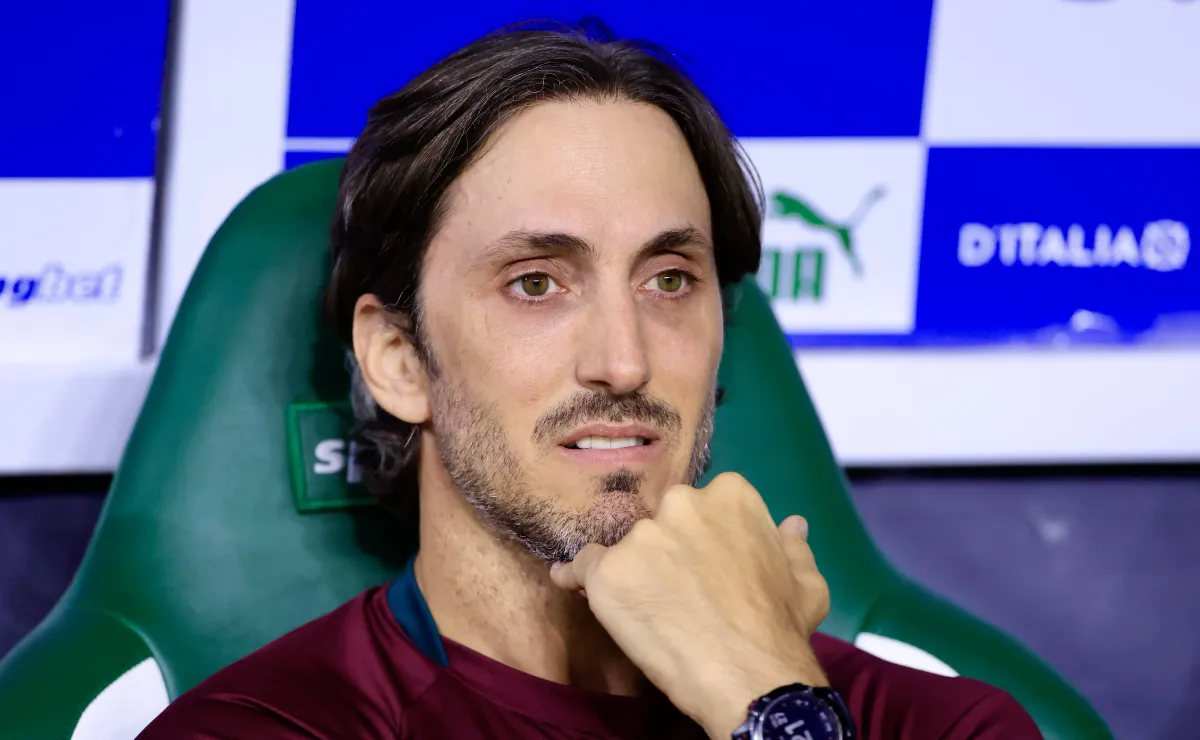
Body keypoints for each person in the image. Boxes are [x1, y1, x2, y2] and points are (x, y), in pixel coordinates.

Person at [139, 21, 1042, 740]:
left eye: (669, 281)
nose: (625, 360)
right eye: (537, 283)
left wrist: (771, 702)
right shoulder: (259, 730)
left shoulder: (939, 723)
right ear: (400, 360)